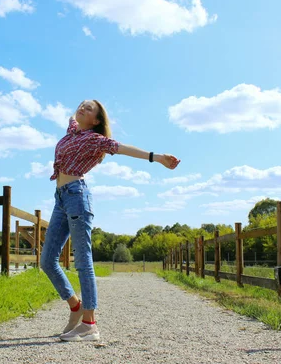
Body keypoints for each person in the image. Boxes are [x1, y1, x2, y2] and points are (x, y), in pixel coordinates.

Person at [40, 100, 180, 342]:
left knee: (83, 261)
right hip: (61, 199)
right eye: (82, 105)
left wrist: (156, 157)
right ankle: (75, 307)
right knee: (47, 260)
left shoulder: (95, 140)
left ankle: (89, 324)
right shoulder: (72, 131)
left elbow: (122, 148)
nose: (83, 107)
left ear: (96, 121)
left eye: (89, 108)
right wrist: (75, 113)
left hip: (77, 197)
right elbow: (71, 118)